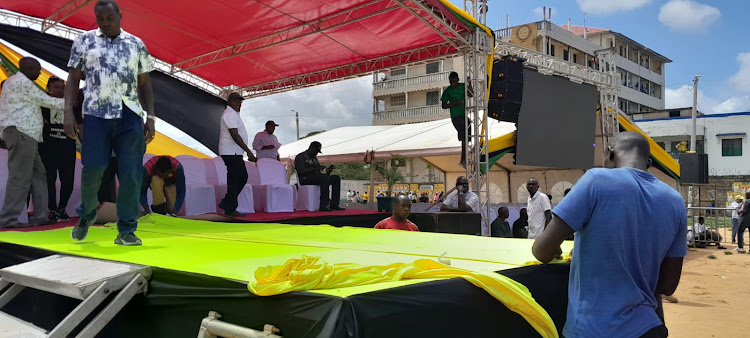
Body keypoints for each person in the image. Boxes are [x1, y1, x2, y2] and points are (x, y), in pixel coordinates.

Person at [532, 131, 686, 338]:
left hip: (594, 329)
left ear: (610, 152)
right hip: (649, 327)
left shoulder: (597, 179)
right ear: (648, 162)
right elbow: (668, 286)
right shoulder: (675, 200)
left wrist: (555, 250)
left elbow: (541, 250)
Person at [64, 0, 155, 246]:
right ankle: (88, 213)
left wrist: (151, 117)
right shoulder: (83, 41)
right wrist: (68, 113)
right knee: (93, 169)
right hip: (95, 114)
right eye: (99, 18)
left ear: (119, 16)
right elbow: (73, 79)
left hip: (130, 115)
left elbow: (145, 84)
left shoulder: (136, 44)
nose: (104, 23)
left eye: (108, 18)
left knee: (131, 173)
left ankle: (126, 229)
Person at [0, 57, 64, 228]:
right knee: (20, 177)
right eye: (38, 70)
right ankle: (8, 219)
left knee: (39, 174)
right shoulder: (23, 83)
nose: (40, 73)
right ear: (29, 69)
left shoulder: (10, 82)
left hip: (25, 134)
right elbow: (48, 102)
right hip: (23, 133)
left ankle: (41, 215)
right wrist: (72, 101)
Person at [39, 77, 79, 222]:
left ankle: (62, 208)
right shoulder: (41, 104)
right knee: (49, 179)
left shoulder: (72, 106)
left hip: (67, 147)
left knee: (68, 179)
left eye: (62, 87)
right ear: (48, 89)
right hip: (47, 148)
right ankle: (52, 210)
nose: (60, 90)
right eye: (56, 87)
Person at [217, 92, 257, 217]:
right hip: (230, 151)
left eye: (240, 102)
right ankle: (229, 207)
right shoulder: (229, 114)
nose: (239, 104)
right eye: (236, 101)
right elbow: (234, 134)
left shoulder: (233, 114)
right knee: (237, 178)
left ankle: (227, 203)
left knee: (239, 178)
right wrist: (248, 151)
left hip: (234, 152)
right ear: (229, 102)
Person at [294, 141, 344, 212]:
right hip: (305, 179)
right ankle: (323, 204)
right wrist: (316, 168)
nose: (317, 153)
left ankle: (334, 204)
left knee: (336, 178)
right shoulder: (301, 157)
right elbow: (301, 171)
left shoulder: (314, 158)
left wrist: (327, 172)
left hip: (316, 178)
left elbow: (319, 174)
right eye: (316, 151)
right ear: (312, 149)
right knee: (323, 178)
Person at [440, 72, 473, 167]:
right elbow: (443, 105)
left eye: (454, 81)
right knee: (463, 135)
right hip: (456, 116)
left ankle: (463, 159)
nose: (453, 84)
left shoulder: (463, 86)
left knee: (467, 136)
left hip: (464, 115)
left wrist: (469, 84)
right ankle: (463, 159)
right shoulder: (447, 91)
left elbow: (471, 94)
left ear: (458, 80)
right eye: (451, 82)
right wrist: (455, 103)